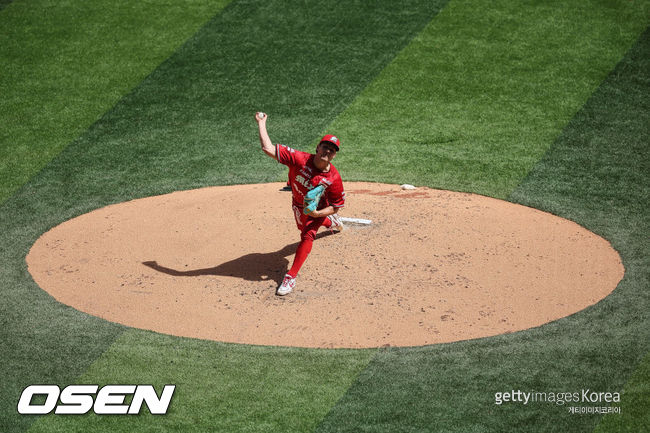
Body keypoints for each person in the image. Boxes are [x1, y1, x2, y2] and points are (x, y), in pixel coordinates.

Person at [255, 112, 345, 295]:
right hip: (298, 204)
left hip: (319, 209)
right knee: (302, 227)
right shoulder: (299, 159)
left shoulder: (334, 178)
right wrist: (261, 123)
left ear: (334, 155)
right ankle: (332, 223)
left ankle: (291, 277)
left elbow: (336, 206)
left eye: (332, 150)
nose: (327, 151)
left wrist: (319, 214)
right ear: (318, 147)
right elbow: (268, 148)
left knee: (307, 234)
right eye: (325, 147)